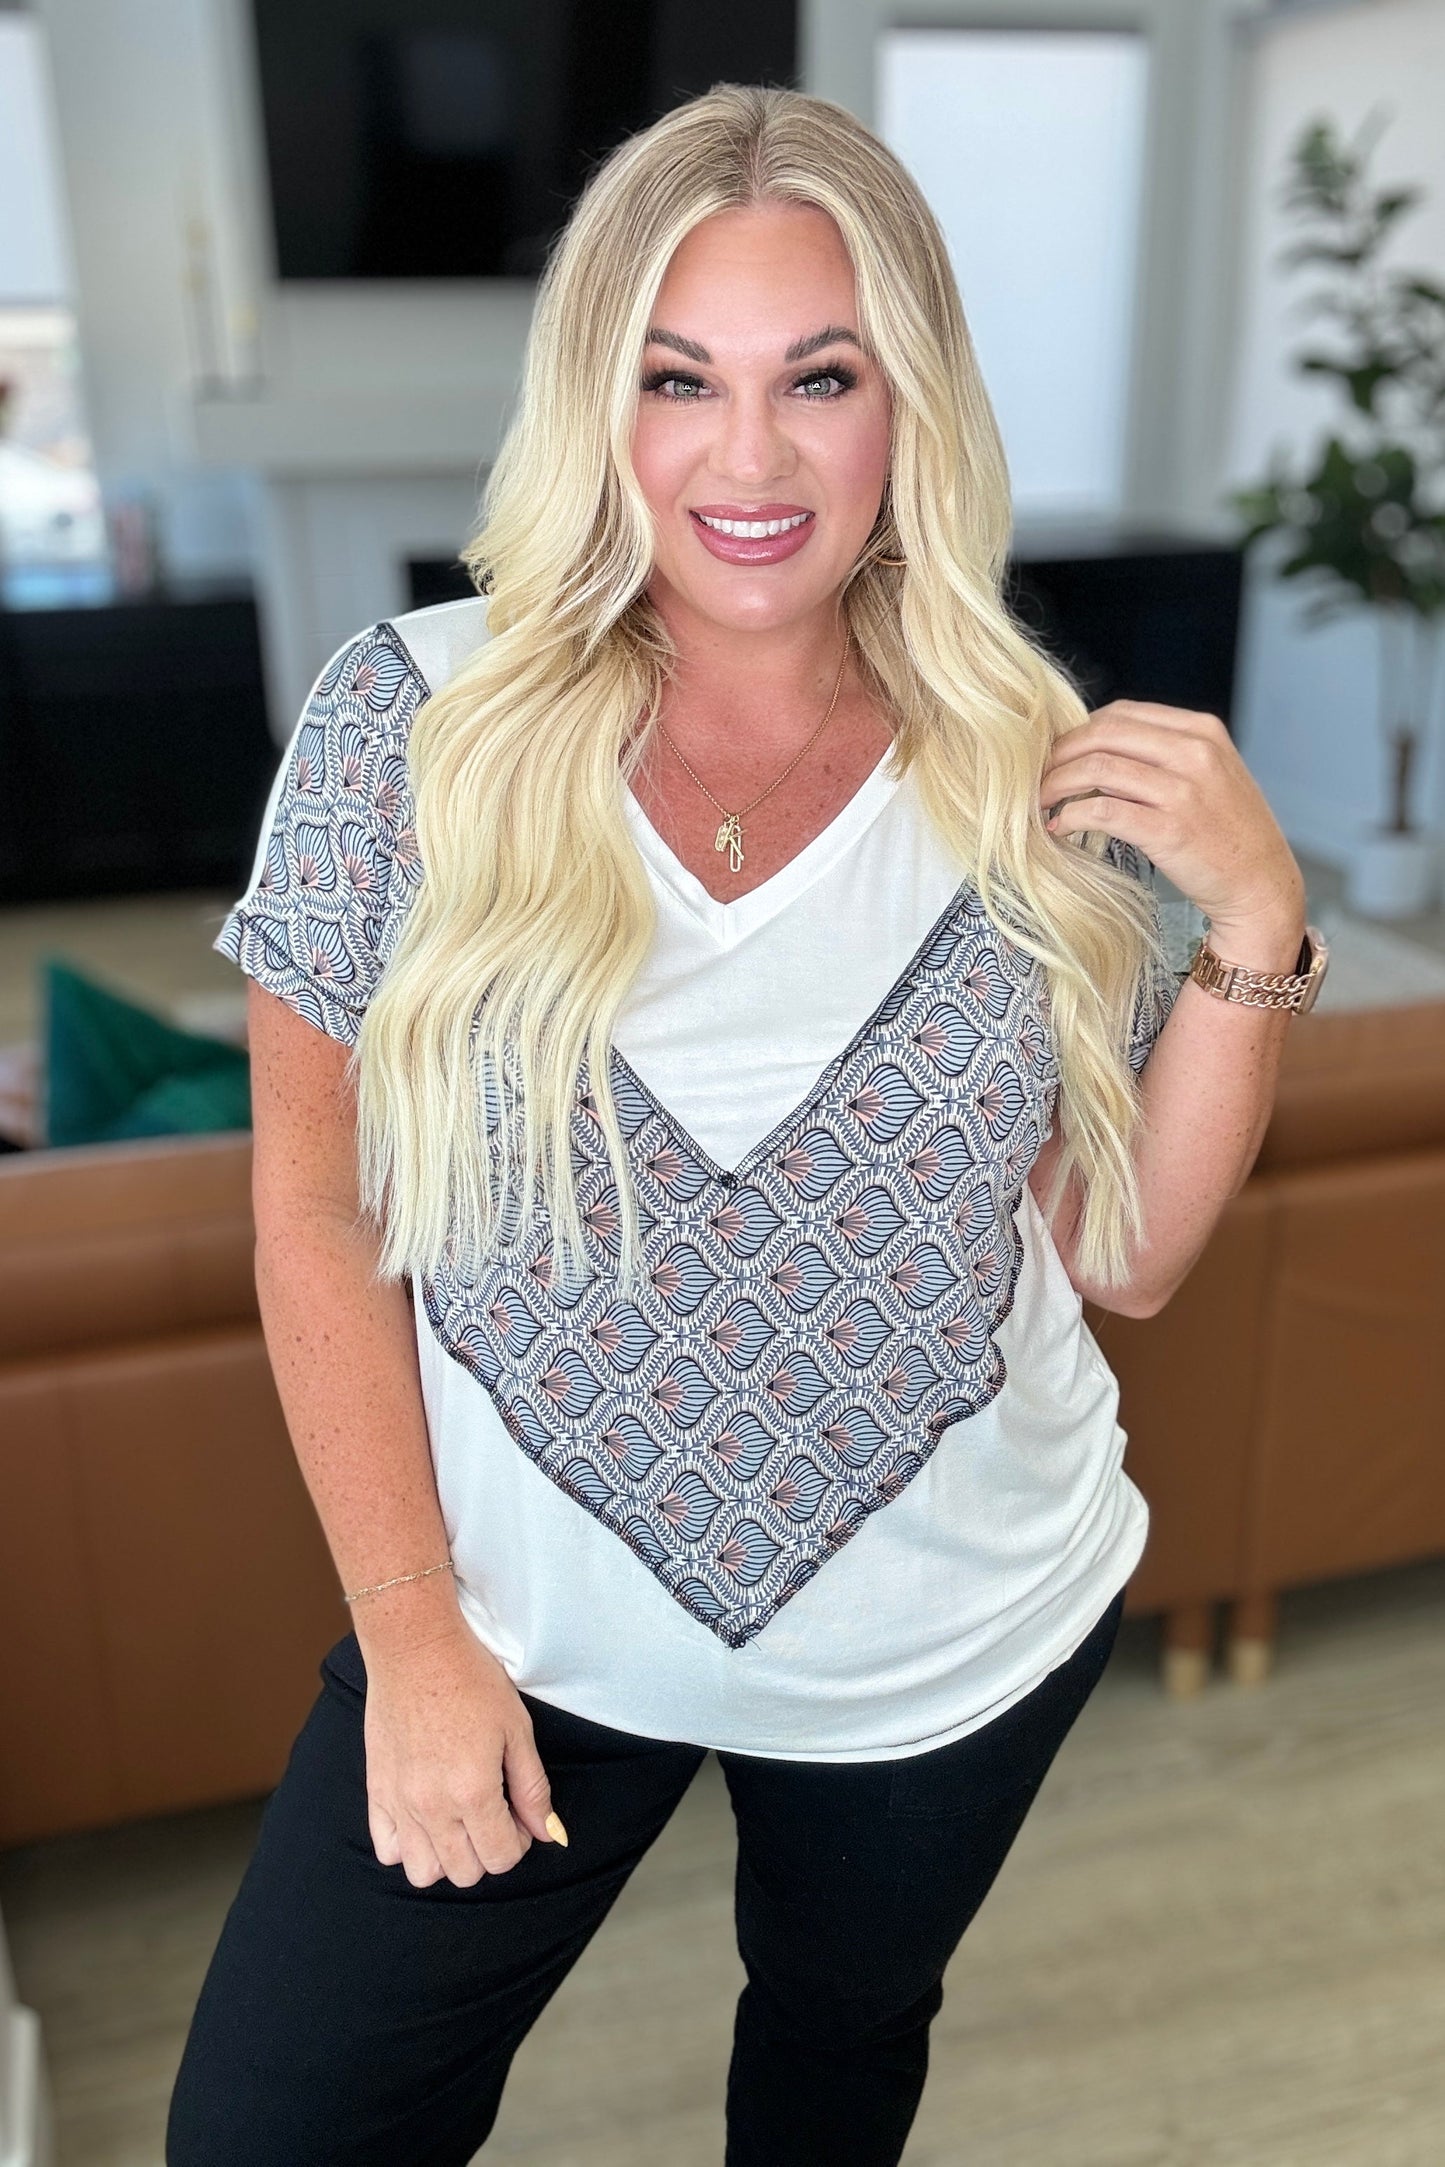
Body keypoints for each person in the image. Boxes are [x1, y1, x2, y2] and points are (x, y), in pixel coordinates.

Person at [167, 82, 1320, 2167]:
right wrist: (412, 1639)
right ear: (594, 401)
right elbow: (319, 1217)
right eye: (677, 378)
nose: (752, 458)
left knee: (835, 2053)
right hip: (516, 1636)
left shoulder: (1030, 771)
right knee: (277, 2132)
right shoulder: (407, 726)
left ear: (911, 403)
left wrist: (1253, 922)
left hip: (950, 1636)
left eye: (821, 377)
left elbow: (1125, 1257)